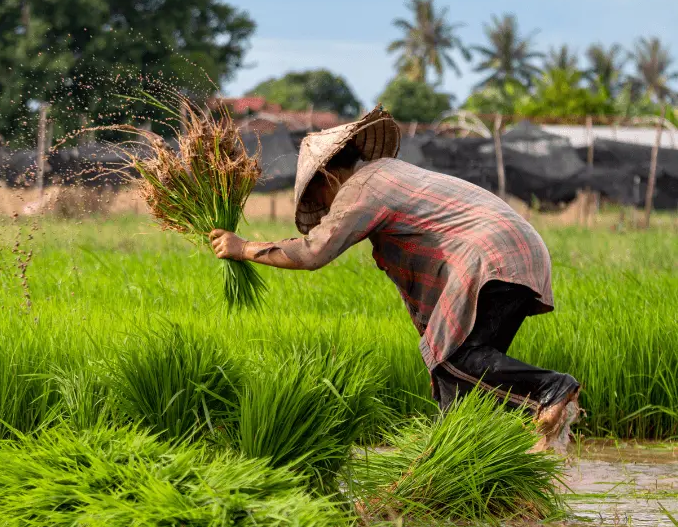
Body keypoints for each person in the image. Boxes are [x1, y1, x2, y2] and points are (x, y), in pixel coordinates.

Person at [210, 106, 580, 453]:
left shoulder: (362, 188)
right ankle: (463, 467)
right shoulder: (391, 176)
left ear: (327, 175)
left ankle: (551, 388)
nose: (326, 208)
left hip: (490, 256)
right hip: (517, 251)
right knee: (460, 383)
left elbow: (312, 252)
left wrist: (244, 248)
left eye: (319, 196)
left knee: (456, 358)